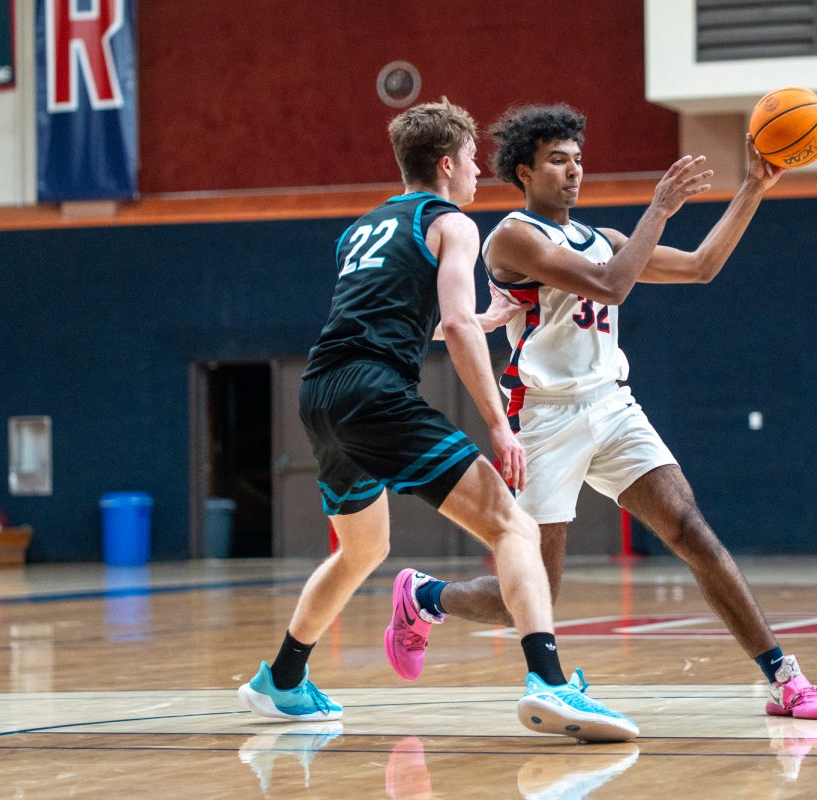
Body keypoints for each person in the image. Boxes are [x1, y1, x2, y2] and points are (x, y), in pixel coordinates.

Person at [384, 103, 817, 721]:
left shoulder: (608, 241)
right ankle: (426, 597)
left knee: (693, 532)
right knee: (532, 589)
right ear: (524, 171)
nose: (572, 172)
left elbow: (702, 267)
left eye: (577, 160)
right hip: (546, 419)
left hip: (614, 406)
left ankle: (785, 678)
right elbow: (613, 286)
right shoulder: (512, 237)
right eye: (556, 161)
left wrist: (753, 187)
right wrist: (659, 206)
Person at [237, 98, 657, 743]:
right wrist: (498, 421)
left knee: (363, 549)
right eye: (468, 162)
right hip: (376, 392)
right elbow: (457, 323)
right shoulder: (452, 222)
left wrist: (470, 321)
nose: (475, 175)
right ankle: (548, 682)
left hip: (321, 392)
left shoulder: (363, 227)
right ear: (445, 164)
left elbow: (388, 316)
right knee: (514, 527)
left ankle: (282, 680)